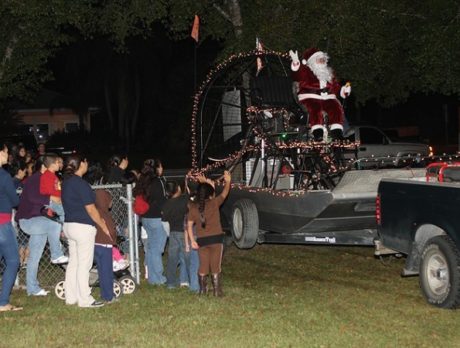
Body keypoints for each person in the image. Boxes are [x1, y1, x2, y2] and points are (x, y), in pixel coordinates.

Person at [61, 155, 110, 308]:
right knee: (84, 264)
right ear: (81, 164)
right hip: (83, 227)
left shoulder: (66, 183)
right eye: (86, 161)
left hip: (69, 225)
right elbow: (90, 209)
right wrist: (102, 225)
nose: (87, 164)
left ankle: (71, 296)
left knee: (74, 263)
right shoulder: (81, 184)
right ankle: (85, 299)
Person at [16, 158, 68, 297]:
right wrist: (51, 199)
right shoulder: (35, 178)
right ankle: (56, 254)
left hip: (40, 221)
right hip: (28, 220)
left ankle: (32, 289)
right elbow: (33, 197)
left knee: (35, 256)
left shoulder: (48, 179)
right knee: (54, 224)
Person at [289, 47, 351, 141]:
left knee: (336, 108)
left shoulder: (329, 73)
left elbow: (336, 88)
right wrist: (296, 63)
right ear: (312, 61)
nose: (322, 61)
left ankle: (337, 132)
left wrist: (344, 90)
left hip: (328, 97)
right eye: (319, 59)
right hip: (310, 97)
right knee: (315, 108)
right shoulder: (306, 71)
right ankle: (318, 132)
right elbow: (297, 75)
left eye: (323, 59)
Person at [187, 171, 231, 296]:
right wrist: (228, 181)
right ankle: (217, 291)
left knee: (203, 266)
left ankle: (202, 290)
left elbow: (189, 225)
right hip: (216, 240)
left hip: (202, 241)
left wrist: (192, 240)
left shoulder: (193, 208)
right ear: (210, 194)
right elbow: (224, 193)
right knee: (215, 266)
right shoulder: (214, 203)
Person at [133, 158, 167, 285]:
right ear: (157, 168)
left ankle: (152, 277)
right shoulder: (157, 182)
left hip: (145, 219)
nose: (162, 169)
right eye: (161, 166)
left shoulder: (142, 180)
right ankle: (158, 277)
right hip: (156, 218)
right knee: (157, 249)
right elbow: (162, 201)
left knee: (152, 248)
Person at [0, 143, 22, 312]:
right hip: (2, 224)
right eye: (6, 152)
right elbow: (15, 201)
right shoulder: (4, 176)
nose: (8, 155)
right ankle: (3, 302)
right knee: (13, 261)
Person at [163, 181, 195, 290]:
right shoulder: (184, 200)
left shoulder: (167, 203)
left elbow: (164, 218)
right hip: (184, 233)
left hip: (173, 233)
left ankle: (170, 283)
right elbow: (191, 208)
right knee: (188, 258)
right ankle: (192, 282)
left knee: (172, 259)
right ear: (178, 189)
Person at [40, 153, 64, 221]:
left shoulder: (54, 176)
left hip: (57, 200)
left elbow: (58, 190)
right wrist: (60, 200)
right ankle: (63, 229)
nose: (59, 164)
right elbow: (50, 193)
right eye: (57, 162)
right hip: (50, 202)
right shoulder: (47, 176)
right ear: (52, 164)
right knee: (65, 211)